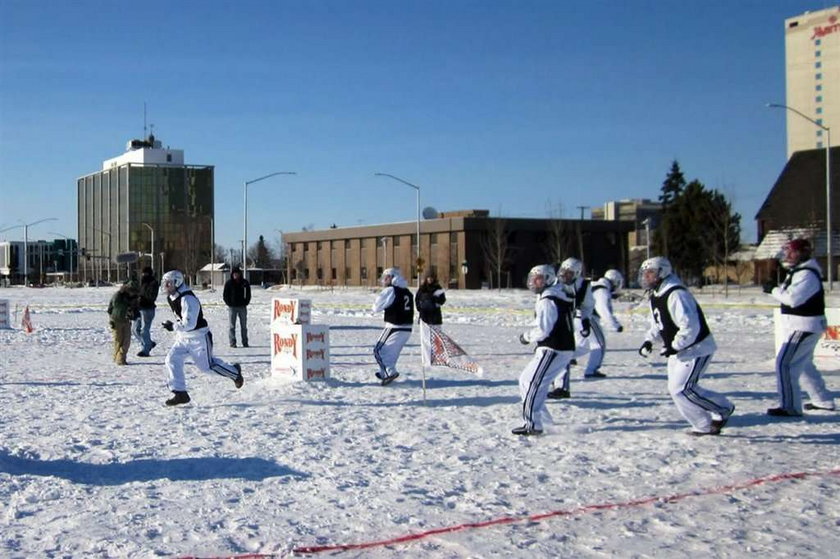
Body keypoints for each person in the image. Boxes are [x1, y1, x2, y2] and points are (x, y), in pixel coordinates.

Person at [638, 257, 734, 436]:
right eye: (645, 273)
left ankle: (722, 408)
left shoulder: (676, 294)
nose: (646, 276)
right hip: (678, 350)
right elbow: (658, 323)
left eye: (650, 272)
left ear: (662, 272)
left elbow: (690, 326)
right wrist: (649, 340)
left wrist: (675, 345)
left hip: (696, 348)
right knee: (676, 390)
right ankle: (703, 424)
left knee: (682, 388)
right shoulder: (656, 294)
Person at [763, 238, 835, 416]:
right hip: (802, 325)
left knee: (784, 364)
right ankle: (822, 400)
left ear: (803, 252)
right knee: (803, 365)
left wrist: (773, 289)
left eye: (792, 251)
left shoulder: (807, 274)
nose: (788, 255)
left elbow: (793, 299)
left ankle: (790, 406)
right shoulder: (799, 272)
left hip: (804, 326)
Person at [159, 270, 243, 406]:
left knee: (207, 367)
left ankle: (234, 372)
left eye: (168, 283)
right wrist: (176, 327)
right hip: (183, 337)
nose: (166, 286)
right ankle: (180, 393)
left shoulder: (188, 299)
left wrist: (173, 326)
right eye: (165, 283)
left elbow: (190, 324)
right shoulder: (172, 297)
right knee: (171, 359)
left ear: (177, 282)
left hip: (198, 337)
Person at [513, 264, 575, 436]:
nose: (534, 282)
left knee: (531, 382)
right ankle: (543, 420)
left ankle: (532, 423)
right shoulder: (556, 294)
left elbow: (544, 329)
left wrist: (526, 337)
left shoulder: (548, 299)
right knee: (529, 381)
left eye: (539, 278)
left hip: (554, 347)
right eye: (532, 278)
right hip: (557, 347)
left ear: (548, 279)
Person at [547, 257, 597, 400]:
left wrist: (585, 320)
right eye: (563, 271)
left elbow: (588, 305)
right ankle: (552, 380)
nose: (564, 275)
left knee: (563, 352)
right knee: (553, 352)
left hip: (569, 321)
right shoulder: (554, 283)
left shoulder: (584, 286)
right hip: (554, 320)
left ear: (576, 273)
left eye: (569, 273)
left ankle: (561, 387)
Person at [372, 267, 414, 386]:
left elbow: (376, 307)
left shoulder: (391, 290)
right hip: (407, 328)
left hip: (394, 326)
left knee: (378, 350)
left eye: (386, 277)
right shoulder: (407, 291)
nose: (384, 280)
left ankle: (389, 372)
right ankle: (384, 372)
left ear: (392, 277)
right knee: (391, 353)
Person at [587, 268, 625, 373]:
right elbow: (603, 309)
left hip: (577, 317)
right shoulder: (602, 290)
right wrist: (615, 325)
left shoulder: (593, 285)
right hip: (588, 318)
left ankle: (565, 360)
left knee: (582, 345)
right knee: (599, 344)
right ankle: (591, 370)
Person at [107, 281, 140, 365]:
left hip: (126, 321)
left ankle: (120, 358)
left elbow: (136, 311)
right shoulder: (118, 296)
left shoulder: (135, 298)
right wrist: (111, 320)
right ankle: (118, 358)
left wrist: (134, 314)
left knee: (127, 341)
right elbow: (111, 307)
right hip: (116, 320)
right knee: (118, 340)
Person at [133, 266, 159, 357]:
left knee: (144, 330)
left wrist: (142, 298)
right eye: (142, 273)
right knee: (135, 330)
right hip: (138, 309)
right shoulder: (141, 282)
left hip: (148, 309)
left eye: (146, 273)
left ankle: (145, 350)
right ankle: (149, 343)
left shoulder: (153, 283)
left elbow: (152, 296)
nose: (143, 275)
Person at [223, 266, 251, 348]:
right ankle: (232, 342)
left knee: (244, 326)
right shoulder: (229, 283)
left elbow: (248, 294)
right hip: (232, 307)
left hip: (242, 307)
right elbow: (225, 295)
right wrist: (229, 303)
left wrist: (246, 302)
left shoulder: (244, 282)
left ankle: (245, 342)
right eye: (234, 274)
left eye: (237, 273)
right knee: (232, 326)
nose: (236, 275)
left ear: (239, 274)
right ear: (232, 274)